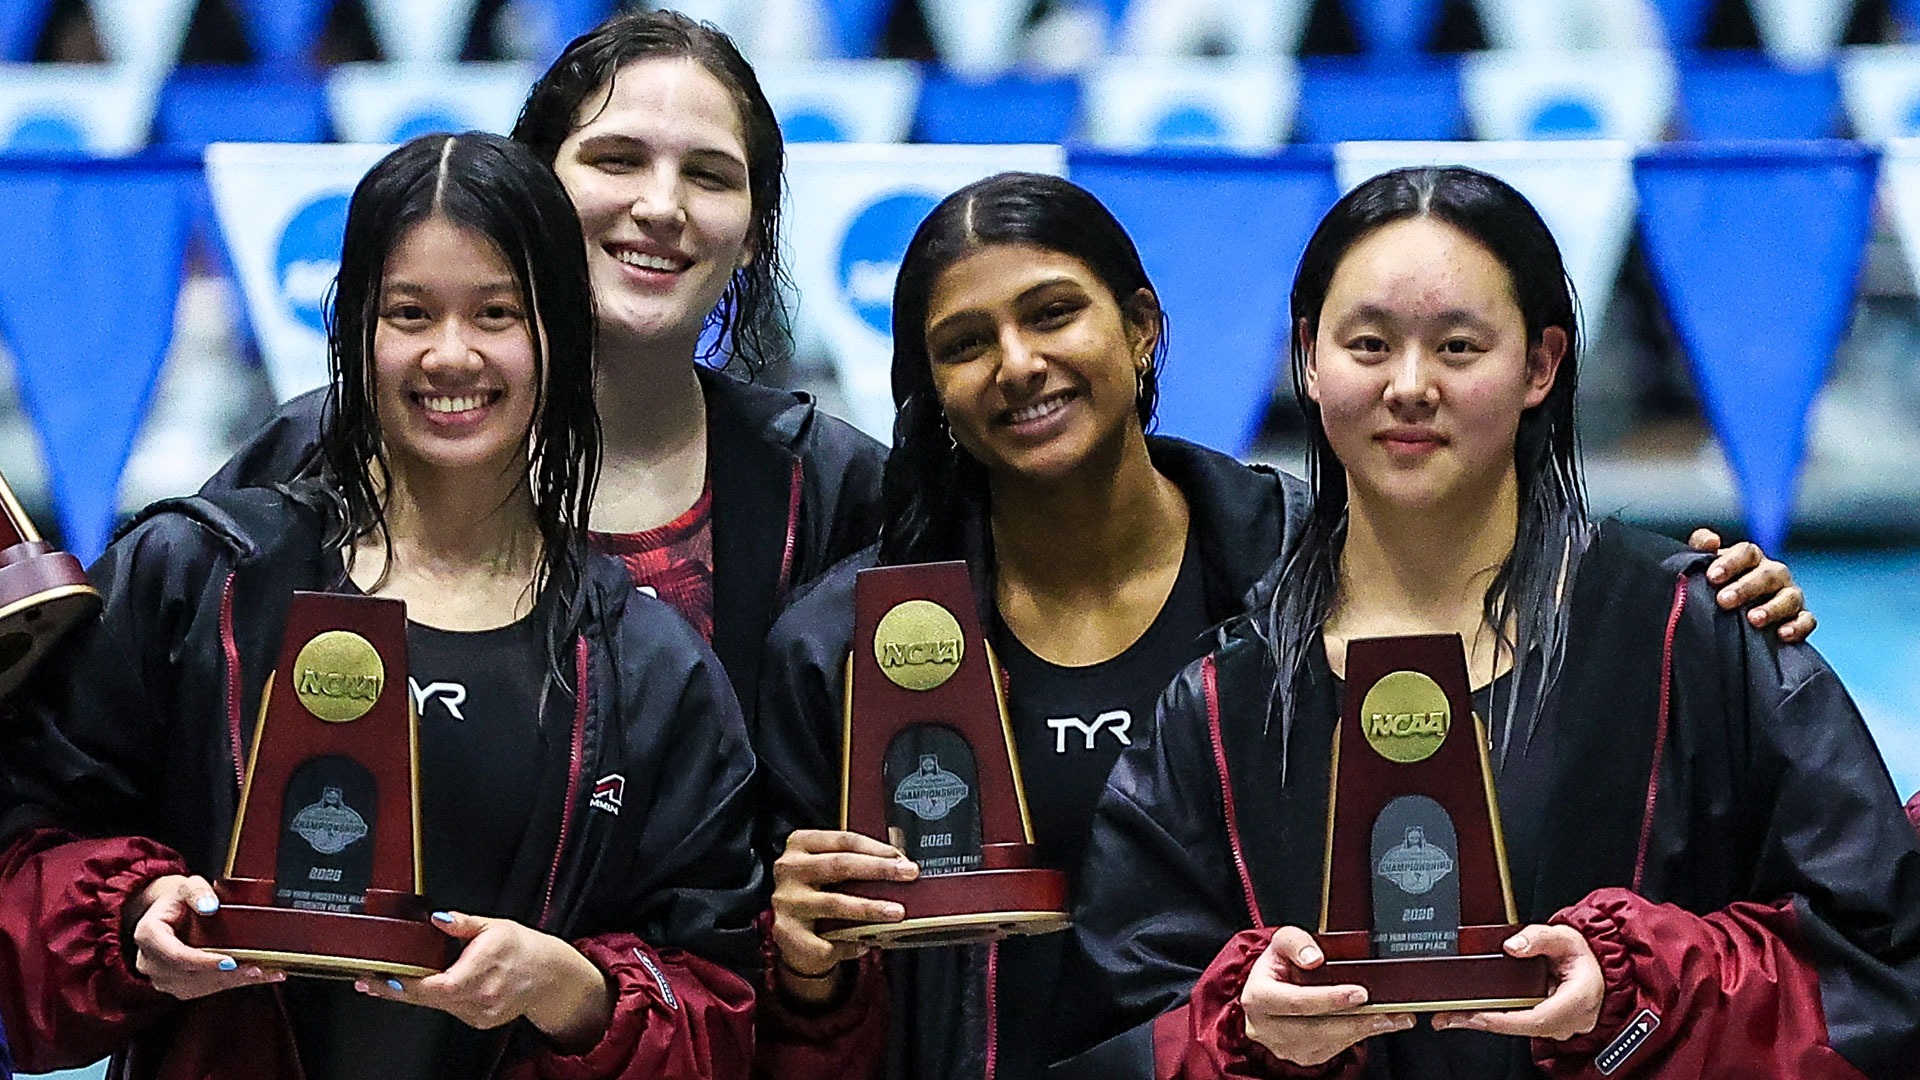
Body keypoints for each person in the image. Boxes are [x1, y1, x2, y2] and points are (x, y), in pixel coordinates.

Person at [750, 172, 1813, 1080]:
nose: (1018, 362)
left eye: (1053, 313)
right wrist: (802, 965)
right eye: (966, 342)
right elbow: (773, 1000)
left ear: (1141, 325)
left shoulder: (1315, 579)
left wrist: (1703, 604)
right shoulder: (849, 646)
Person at [1055, 166, 1920, 1079]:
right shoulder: (1224, 708)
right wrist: (1245, 1036)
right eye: (1369, 344)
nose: (1411, 385)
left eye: (1460, 346)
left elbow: (1881, 964)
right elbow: (1116, 1029)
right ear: (1309, 357)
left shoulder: (1695, 639)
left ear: (1540, 365)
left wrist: (1644, 999)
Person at [0, 133, 760, 1080]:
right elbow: (29, 845)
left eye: (497, 314)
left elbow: (721, 1000)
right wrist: (132, 914)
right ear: (355, 327)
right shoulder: (197, 578)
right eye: (410, 312)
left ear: (559, 334)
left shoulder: (648, 669)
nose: (451, 355)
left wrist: (565, 988)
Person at [206, 9, 887, 709]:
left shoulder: (837, 490)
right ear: (533, 189)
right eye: (616, 160)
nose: (660, 205)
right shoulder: (321, 448)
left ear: (751, 233)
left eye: (709, 176)